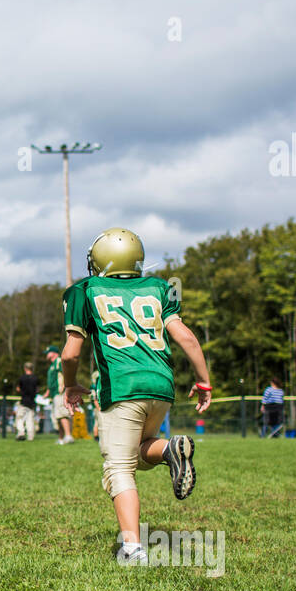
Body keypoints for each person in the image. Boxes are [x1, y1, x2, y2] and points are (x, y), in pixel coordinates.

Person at [59, 227, 212, 566]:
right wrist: (203, 381)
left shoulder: (85, 289)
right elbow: (185, 337)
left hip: (123, 386)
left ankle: (133, 548)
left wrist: (70, 385)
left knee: (117, 468)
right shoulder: (160, 287)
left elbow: (70, 354)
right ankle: (170, 448)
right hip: (161, 385)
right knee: (140, 456)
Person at [44, 345, 74, 444]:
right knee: (58, 416)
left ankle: (68, 436)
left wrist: (64, 386)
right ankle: (61, 438)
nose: (46, 355)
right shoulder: (52, 365)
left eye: (48, 352)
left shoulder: (58, 361)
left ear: (53, 353)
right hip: (54, 394)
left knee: (62, 414)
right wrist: (48, 391)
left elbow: (66, 372)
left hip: (60, 392)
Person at [14, 362, 39, 441]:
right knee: (30, 419)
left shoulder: (22, 378)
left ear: (25, 368)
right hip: (32, 401)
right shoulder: (35, 378)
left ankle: (21, 433)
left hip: (24, 401)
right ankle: (30, 436)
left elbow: (18, 388)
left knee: (20, 417)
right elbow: (37, 389)